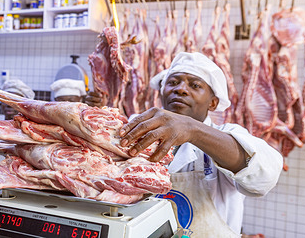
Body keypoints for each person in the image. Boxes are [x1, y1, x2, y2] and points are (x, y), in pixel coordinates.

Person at [87, 52, 283, 237]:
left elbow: (264, 178)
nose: (180, 89)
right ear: (162, 91)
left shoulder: (228, 135)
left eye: (195, 85)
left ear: (213, 103)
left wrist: (192, 129)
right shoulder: (138, 130)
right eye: (173, 82)